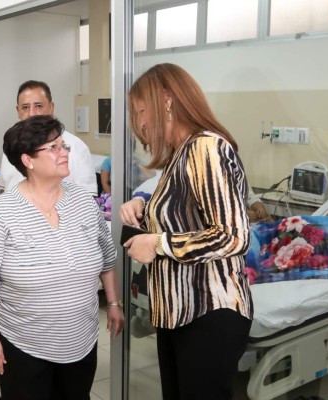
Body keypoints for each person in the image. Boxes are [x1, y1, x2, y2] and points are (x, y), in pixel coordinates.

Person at [119, 63, 253, 400]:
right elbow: (184, 215)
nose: (141, 123)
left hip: (208, 310)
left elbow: (233, 235)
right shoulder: (179, 155)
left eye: (141, 111)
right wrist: (143, 206)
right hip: (177, 311)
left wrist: (158, 243)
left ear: (167, 101)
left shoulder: (206, 148)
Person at [0, 115, 124, 400]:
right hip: (24, 344)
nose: (64, 153)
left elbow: (107, 257)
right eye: (53, 148)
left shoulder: (83, 202)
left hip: (82, 341)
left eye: (63, 146)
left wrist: (113, 303)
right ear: (28, 160)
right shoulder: (1, 213)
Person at [0, 80, 97, 196]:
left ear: (51, 107)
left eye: (38, 106)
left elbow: (88, 198)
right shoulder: (12, 146)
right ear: (18, 111)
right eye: (25, 107)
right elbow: (4, 189)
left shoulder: (76, 147)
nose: (32, 114)